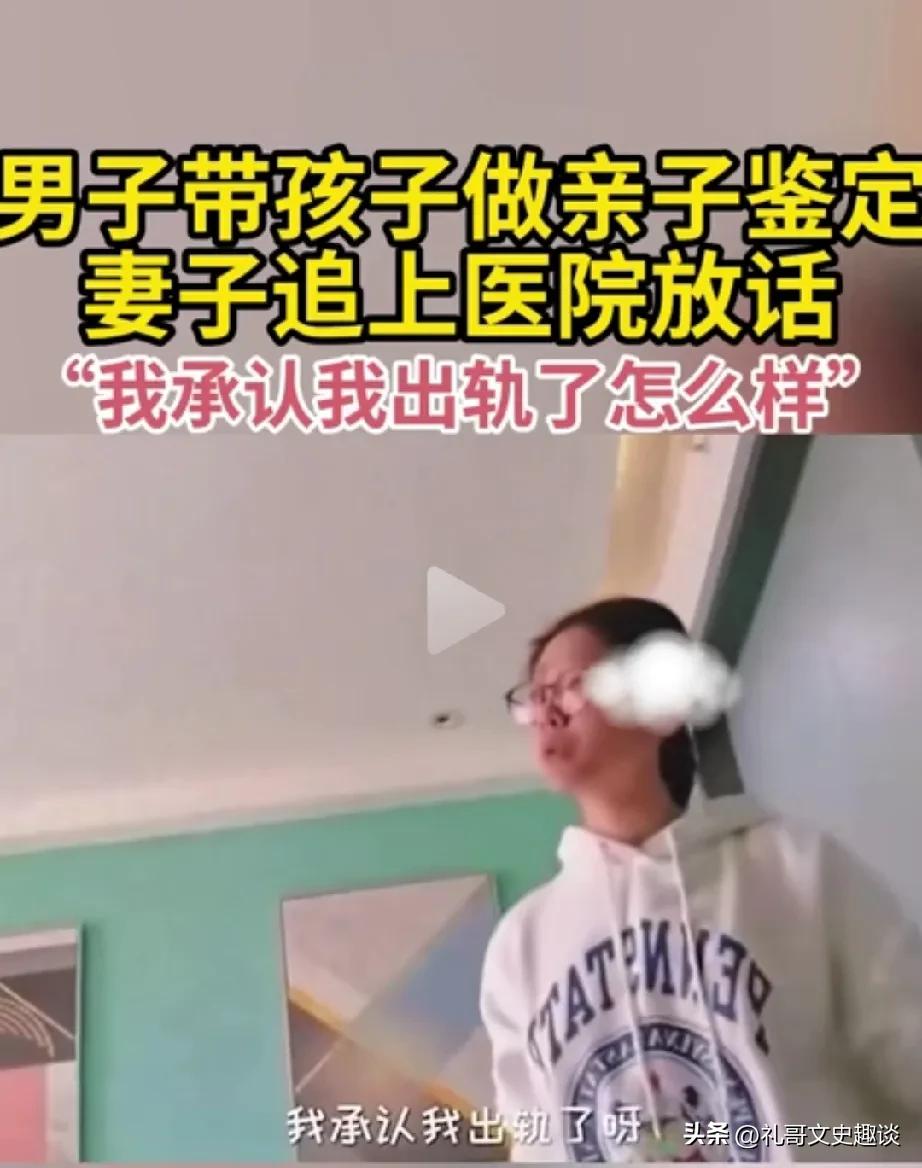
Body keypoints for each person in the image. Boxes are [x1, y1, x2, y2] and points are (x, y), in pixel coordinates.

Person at [480, 597, 922, 1163]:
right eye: (536, 695)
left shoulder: (795, 868)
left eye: (570, 685)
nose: (546, 710)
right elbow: (538, 1143)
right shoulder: (521, 945)